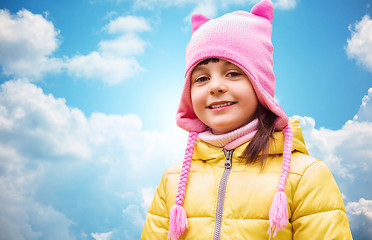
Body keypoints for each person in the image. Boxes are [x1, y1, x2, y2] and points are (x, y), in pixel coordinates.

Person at [141, 0, 352, 239]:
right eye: (201, 78)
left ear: (260, 85)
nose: (216, 86)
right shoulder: (174, 179)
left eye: (233, 73)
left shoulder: (305, 175)